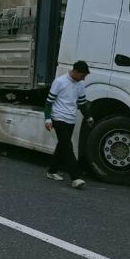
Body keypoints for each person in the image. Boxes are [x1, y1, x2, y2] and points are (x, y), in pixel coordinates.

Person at [44, 60, 94, 189]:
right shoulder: (59, 82)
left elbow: (82, 103)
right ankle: (75, 177)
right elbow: (49, 102)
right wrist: (48, 119)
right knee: (67, 147)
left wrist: (88, 117)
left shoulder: (80, 84)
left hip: (71, 119)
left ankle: (51, 171)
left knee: (62, 145)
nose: (83, 78)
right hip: (58, 117)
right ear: (75, 71)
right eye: (82, 75)